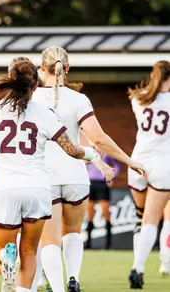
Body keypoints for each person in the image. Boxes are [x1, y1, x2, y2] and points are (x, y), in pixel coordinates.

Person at [0, 59, 114, 292]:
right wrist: (92, 155)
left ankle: (5, 258)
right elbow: (72, 149)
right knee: (30, 251)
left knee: (3, 248)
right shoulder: (45, 114)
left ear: (10, 81)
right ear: (35, 86)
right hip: (38, 188)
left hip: (6, 187)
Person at [31, 46, 146, 292]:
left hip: (43, 177)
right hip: (76, 176)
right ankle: (73, 279)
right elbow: (99, 138)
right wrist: (129, 161)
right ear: (68, 68)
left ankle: (58, 288)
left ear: (41, 69)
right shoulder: (79, 99)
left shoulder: (31, 99)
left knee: (49, 240)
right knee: (72, 232)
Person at [127, 60, 170, 288]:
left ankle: (140, 264)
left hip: (138, 162)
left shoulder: (139, 97)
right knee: (151, 221)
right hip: (163, 165)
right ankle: (138, 267)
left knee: (139, 216)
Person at [85, 148, 120, 250]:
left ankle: (108, 244)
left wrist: (112, 177)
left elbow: (116, 166)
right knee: (90, 214)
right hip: (90, 183)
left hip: (102, 184)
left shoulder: (105, 153)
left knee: (105, 213)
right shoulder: (88, 151)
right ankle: (88, 243)